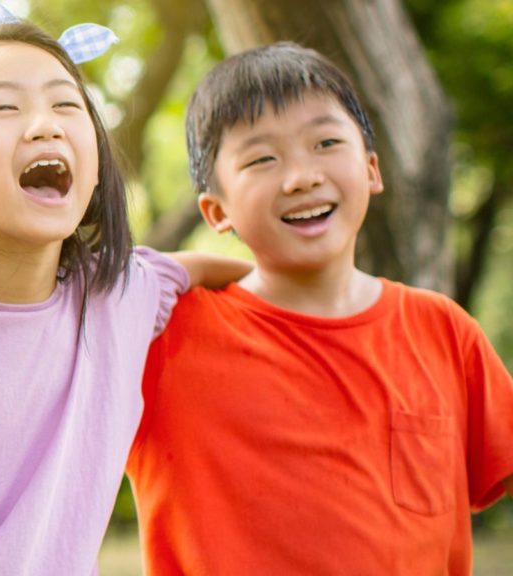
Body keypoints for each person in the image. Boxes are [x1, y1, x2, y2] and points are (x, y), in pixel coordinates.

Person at [0, 4, 250, 574]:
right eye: (4, 106)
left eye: (66, 104)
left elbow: (210, 270)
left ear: (98, 164)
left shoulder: (120, 295)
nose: (45, 124)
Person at [124, 42, 513, 575]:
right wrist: (187, 268)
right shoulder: (165, 341)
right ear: (216, 210)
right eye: (262, 158)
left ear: (372, 170)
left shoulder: (443, 329)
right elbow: (78, 301)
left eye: (326, 142)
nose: (301, 176)